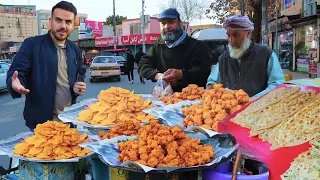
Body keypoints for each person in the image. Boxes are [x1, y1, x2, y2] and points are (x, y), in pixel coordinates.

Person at [6, 1, 86, 130]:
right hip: (41, 125)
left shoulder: (74, 49)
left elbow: (78, 74)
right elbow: (17, 72)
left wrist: (78, 87)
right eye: (58, 20)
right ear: (50, 21)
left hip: (69, 123)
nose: (63, 26)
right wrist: (15, 83)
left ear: (73, 25)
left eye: (68, 22)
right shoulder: (32, 45)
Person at [207, 14, 285, 98]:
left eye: (236, 35)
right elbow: (212, 82)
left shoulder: (266, 54)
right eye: (228, 35)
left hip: (260, 108)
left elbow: (277, 85)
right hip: (231, 109)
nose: (231, 40)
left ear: (248, 33)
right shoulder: (223, 58)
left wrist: (253, 100)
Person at [138, 8, 211, 92]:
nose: (167, 26)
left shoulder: (196, 46)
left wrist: (181, 75)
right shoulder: (158, 46)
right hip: (165, 100)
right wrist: (159, 76)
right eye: (163, 23)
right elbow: (143, 64)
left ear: (180, 23)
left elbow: (203, 72)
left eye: (171, 22)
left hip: (193, 99)